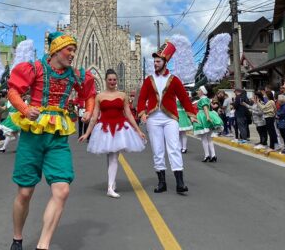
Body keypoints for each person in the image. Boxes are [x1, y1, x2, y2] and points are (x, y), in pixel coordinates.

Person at [6, 32, 95, 250]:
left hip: (58, 137)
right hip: (33, 135)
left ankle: (42, 245)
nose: (73, 54)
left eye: (74, 50)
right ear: (56, 50)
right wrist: (26, 109)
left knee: (62, 190)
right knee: (25, 192)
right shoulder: (35, 68)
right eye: (69, 50)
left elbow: (90, 92)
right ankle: (17, 238)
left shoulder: (75, 74)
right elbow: (13, 91)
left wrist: (89, 110)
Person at [137, 40, 197, 194]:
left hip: (170, 118)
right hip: (153, 119)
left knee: (174, 148)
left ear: (165, 62)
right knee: (157, 150)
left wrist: (191, 114)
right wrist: (142, 112)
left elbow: (184, 98)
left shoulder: (174, 80)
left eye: (158, 61)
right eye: (154, 61)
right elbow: (142, 98)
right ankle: (161, 182)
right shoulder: (149, 80)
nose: (155, 64)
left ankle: (180, 183)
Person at [80, 69, 146, 198]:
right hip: (105, 128)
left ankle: (110, 186)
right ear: (105, 81)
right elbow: (94, 117)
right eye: (110, 79)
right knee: (111, 156)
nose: (112, 82)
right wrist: (87, 134)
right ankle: (111, 183)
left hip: (120, 128)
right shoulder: (99, 96)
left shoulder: (122, 95)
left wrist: (138, 131)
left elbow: (128, 114)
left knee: (114, 157)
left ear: (117, 81)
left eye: (114, 80)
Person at [192, 86, 223, 162]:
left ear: (202, 91)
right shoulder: (207, 99)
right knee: (209, 138)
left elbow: (205, 108)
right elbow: (210, 107)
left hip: (203, 117)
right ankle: (213, 155)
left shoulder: (203, 99)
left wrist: (208, 117)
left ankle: (207, 155)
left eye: (199, 90)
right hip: (206, 116)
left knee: (204, 138)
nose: (198, 91)